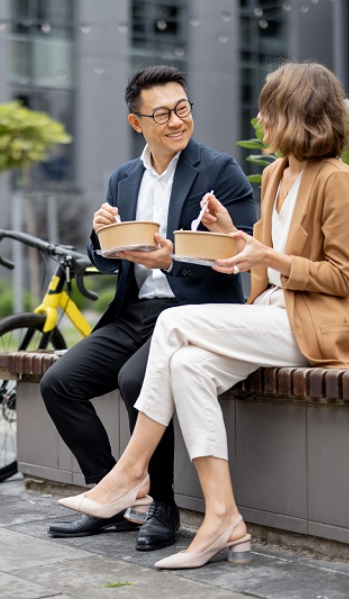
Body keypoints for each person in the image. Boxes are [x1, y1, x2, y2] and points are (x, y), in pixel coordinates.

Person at [57, 60, 349, 570]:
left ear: (295, 114)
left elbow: (344, 279)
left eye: (267, 109)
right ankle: (223, 517)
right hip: (273, 313)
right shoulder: (277, 174)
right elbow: (258, 262)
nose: (259, 118)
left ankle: (130, 473)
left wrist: (265, 257)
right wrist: (232, 235)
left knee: (173, 324)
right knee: (187, 367)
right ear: (138, 122)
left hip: (320, 324)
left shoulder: (337, 180)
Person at [42, 65, 256, 551]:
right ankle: (113, 496)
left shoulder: (219, 170)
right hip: (135, 311)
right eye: (162, 114)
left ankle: (163, 504)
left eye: (182, 108)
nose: (176, 121)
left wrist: (173, 259)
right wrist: (99, 236)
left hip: (193, 312)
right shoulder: (123, 178)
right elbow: (108, 258)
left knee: (135, 379)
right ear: (136, 122)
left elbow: (241, 252)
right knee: (59, 383)